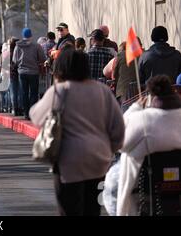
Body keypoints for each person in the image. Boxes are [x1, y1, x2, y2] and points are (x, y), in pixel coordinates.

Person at [29, 47, 125, 216]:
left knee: (70, 209)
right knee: (93, 208)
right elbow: (118, 128)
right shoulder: (102, 90)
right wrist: (110, 150)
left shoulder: (60, 91)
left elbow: (36, 116)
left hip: (69, 161)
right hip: (98, 160)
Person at [114, 75, 181, 216]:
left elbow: (121, 144)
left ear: (150, 96)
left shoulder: (142, 118)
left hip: (144, 186)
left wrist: (134, 108)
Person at [12, 28, 46, 120]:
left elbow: (14, 60)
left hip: (22, 72)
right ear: (31, 35)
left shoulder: (17, 46)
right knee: (34, 93)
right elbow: (42, 58)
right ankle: (32, 113)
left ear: (23, 36)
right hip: (34, 72)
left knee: (24, 93)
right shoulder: (37, 46)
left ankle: (26, 113)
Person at [114, 40, 142, 104]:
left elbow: (115, 74)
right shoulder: (143, 54)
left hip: (122, 91)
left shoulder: (120, 55)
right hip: (140, 92)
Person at [9, 37, 22, 116]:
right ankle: (20, 108)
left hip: (12, 74)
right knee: (20, 91)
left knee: (13, 92)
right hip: (19, 72)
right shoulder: (19, 52)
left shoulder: (9, 53)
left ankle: (14, 108)